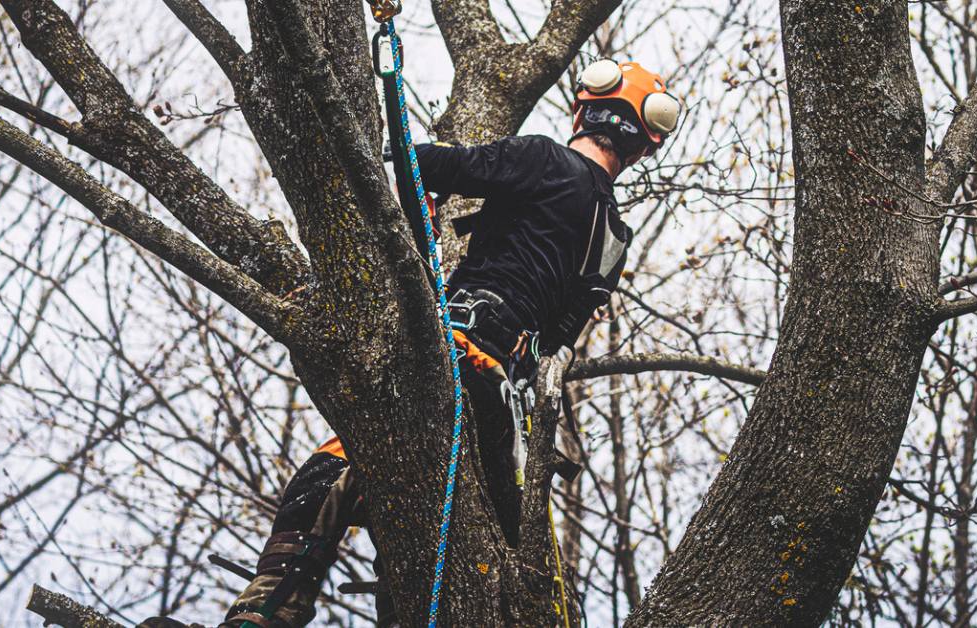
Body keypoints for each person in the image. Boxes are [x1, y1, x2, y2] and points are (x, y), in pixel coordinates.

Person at [144, 59, 680, 628]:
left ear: (583, 111)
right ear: (642, 148)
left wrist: (424, 207)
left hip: (462, 352)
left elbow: (420, 162)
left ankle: (264, 617)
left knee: (327, 476)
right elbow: (562, 337)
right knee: (419, 552)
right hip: (510, 412)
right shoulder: (614, 238)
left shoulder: (546, 158)